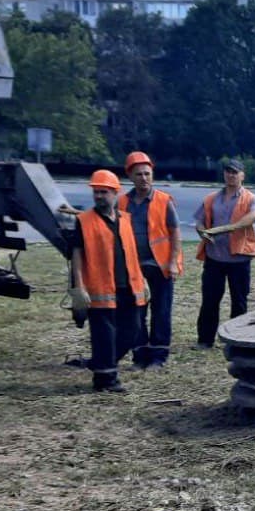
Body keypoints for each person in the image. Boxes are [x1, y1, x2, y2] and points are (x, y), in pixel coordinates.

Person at [69, 170, 146, 393]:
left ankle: (103, 364)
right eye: (96, 192)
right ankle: (105, 380)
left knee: (132, 331)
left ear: (115, 193)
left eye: (103, 192)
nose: (99, 196)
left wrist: (142, 280)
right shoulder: (84, 221)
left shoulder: (125, 220)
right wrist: (79, 287)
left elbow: (132, 252)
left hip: (128, 286)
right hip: (99, 289)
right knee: (104, 336)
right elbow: (76, 254)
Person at [119, 151, 183, 369]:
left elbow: (175, 233)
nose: (144, 178)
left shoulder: (164, 201)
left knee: (161, 312)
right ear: (130, 176)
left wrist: (174, 262)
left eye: (147, 174)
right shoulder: (122, 203)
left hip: (161, 267)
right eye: (139, 174)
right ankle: (140, 356)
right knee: (136, 313)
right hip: (134, 269)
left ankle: (158, 356)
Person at [193, 158, 255, 349]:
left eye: (235, 172)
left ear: (242, 175)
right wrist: (203, 232)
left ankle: (237, 341)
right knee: (210, 300)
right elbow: (199, 221)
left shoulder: (251, 198)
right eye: (228, 171)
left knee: (239, 302)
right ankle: (205, 340)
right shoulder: (211, 199)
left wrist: (229, 228)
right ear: (224, 174)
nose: (231, 175)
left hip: (239, 258)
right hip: (214, 257)